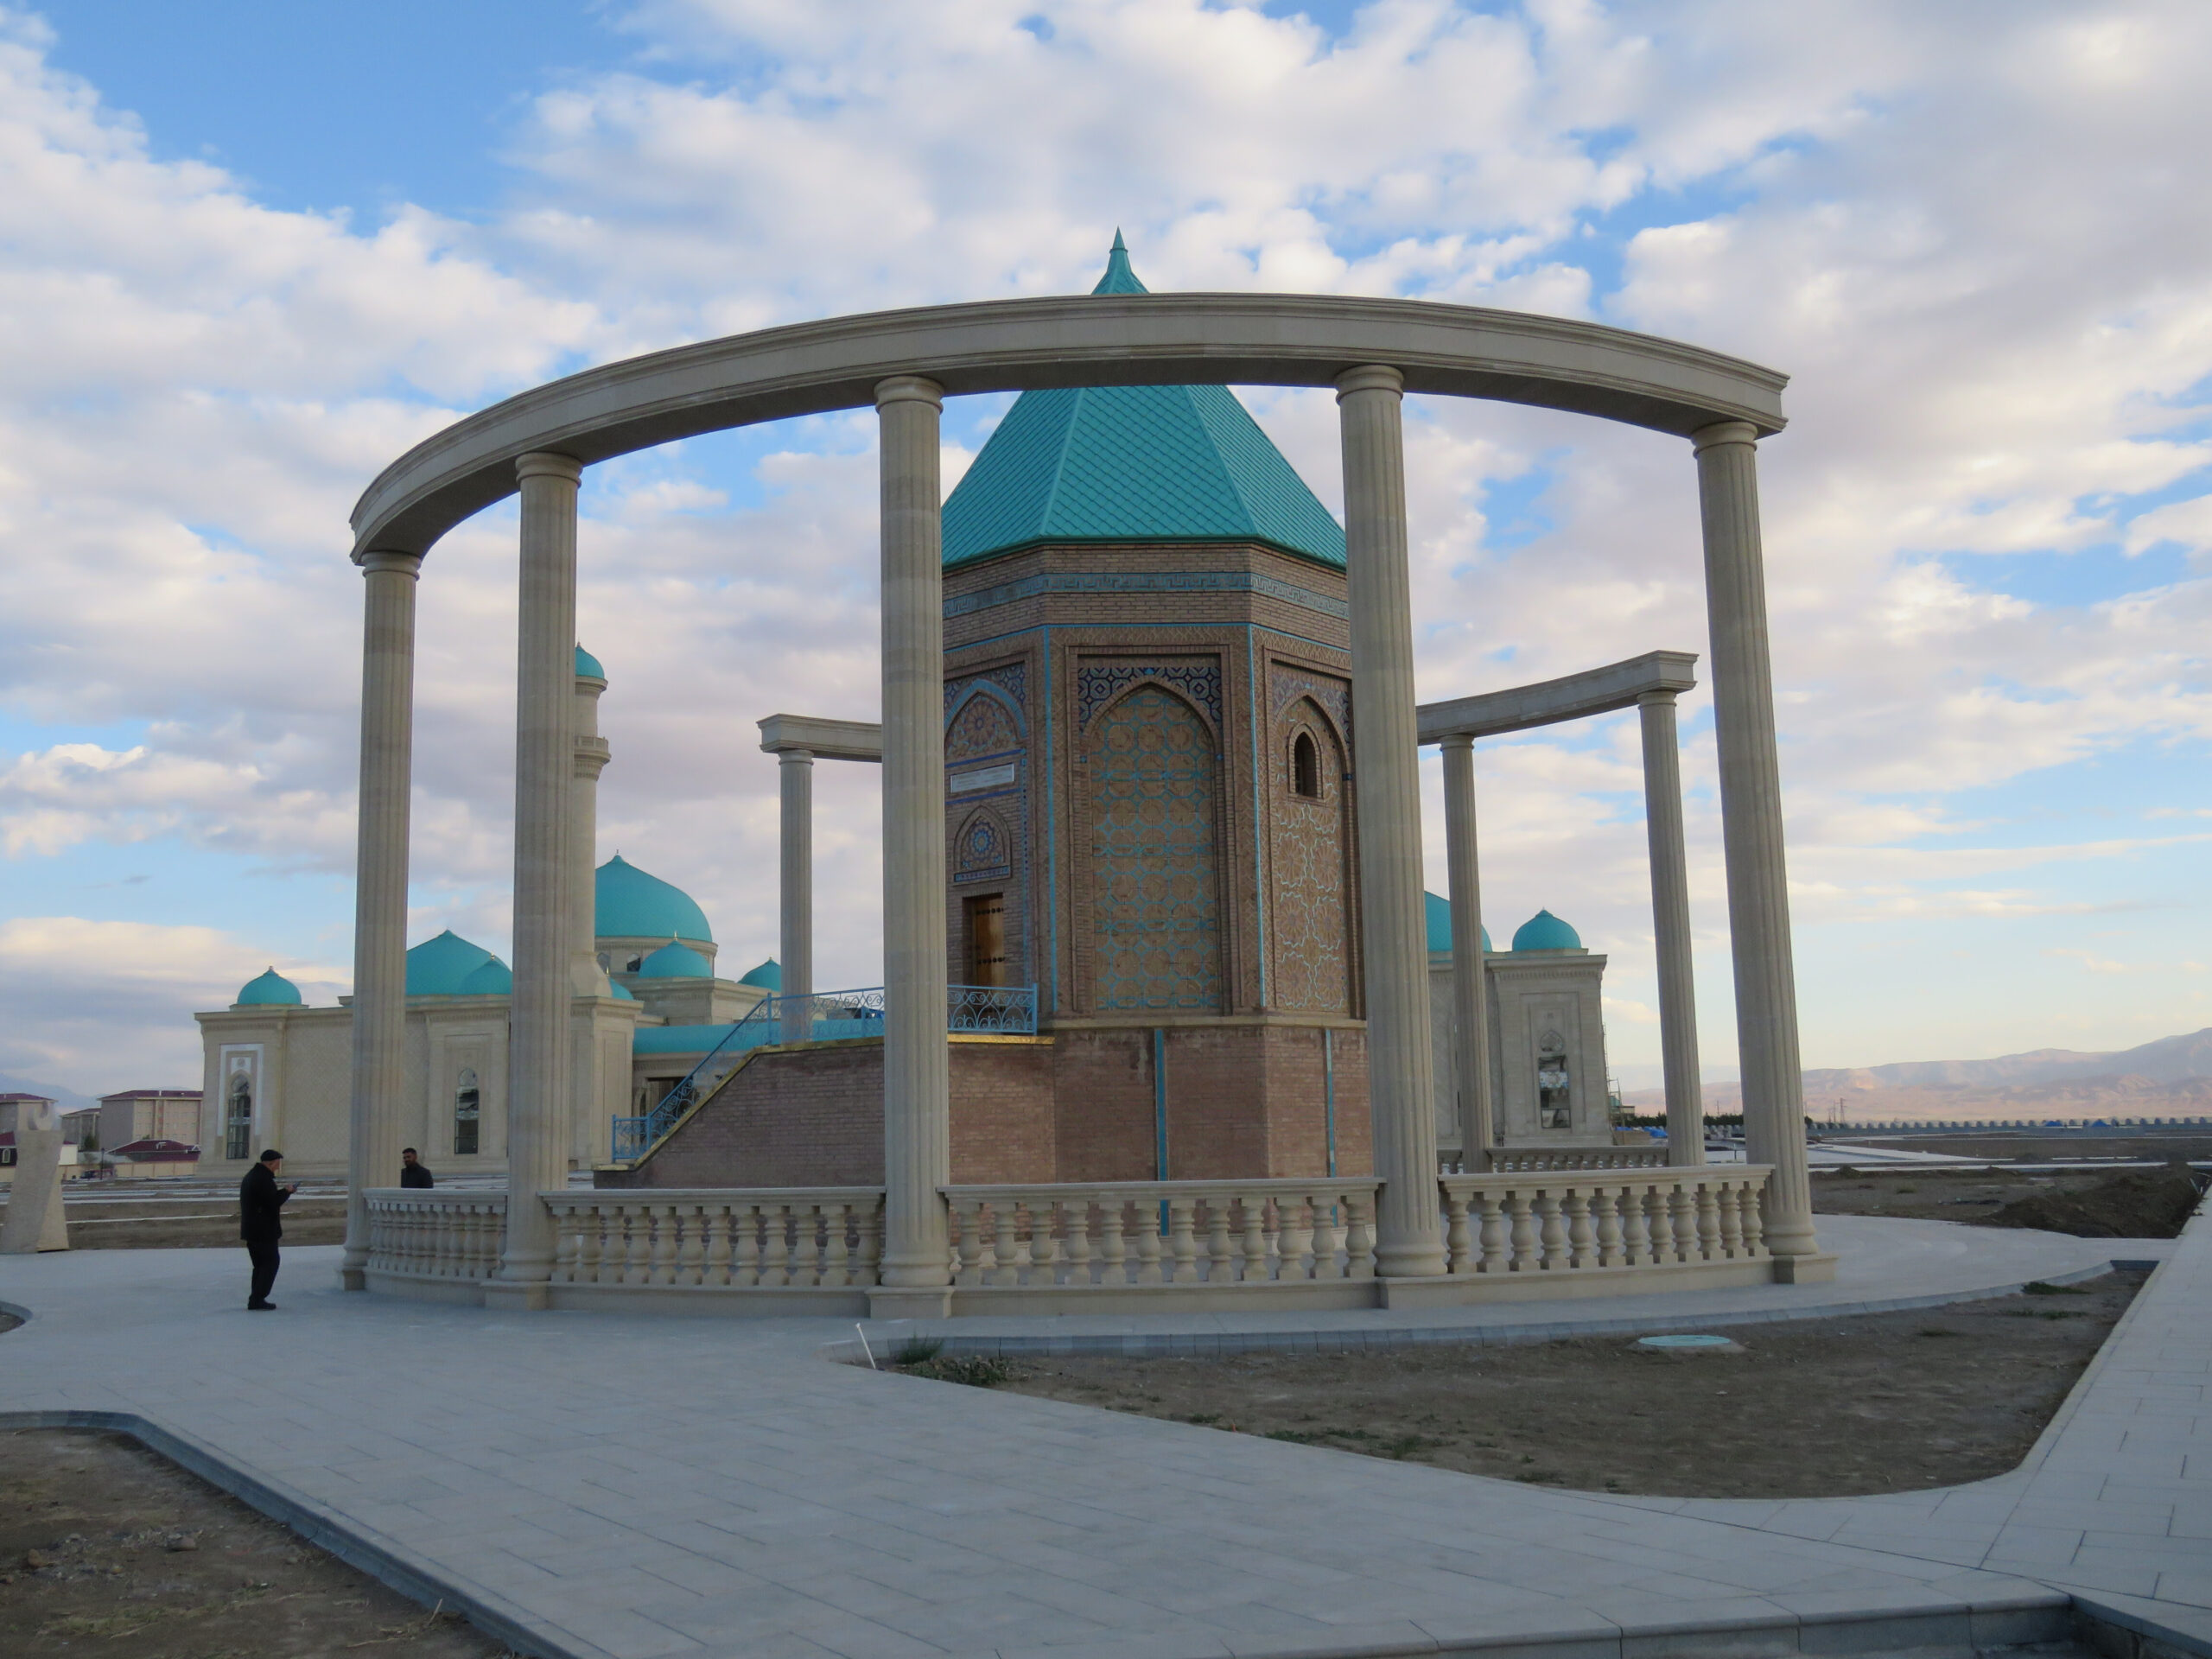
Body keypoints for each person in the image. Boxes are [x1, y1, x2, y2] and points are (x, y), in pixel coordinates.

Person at [239, 1148, 296, 1311]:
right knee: (270, 1264)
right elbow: (271, 1202)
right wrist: (287, 1192)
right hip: (263, 1231)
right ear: (271, 1163)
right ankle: (258, 1299)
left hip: (252, 1231)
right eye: (277, 1164)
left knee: (260, 1265)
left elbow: (265, 1200)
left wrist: (283, 1192)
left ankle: (256, 1298)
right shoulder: (262, 1179)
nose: (278, 1167)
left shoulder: (253, 1176)